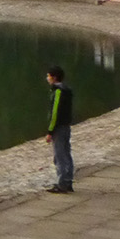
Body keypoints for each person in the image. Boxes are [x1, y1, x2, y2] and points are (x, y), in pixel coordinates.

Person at [45, 65, 74, 193]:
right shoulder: (67, 90)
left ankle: (62, 183)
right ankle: (68, 181)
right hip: (66, 126)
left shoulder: (58, 92)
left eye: (48, 76)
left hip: (59, 128)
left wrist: (50, 131)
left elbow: (55, 113)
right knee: (67, 154)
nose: (47, 78)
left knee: (60, 156)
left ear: (54, 77)